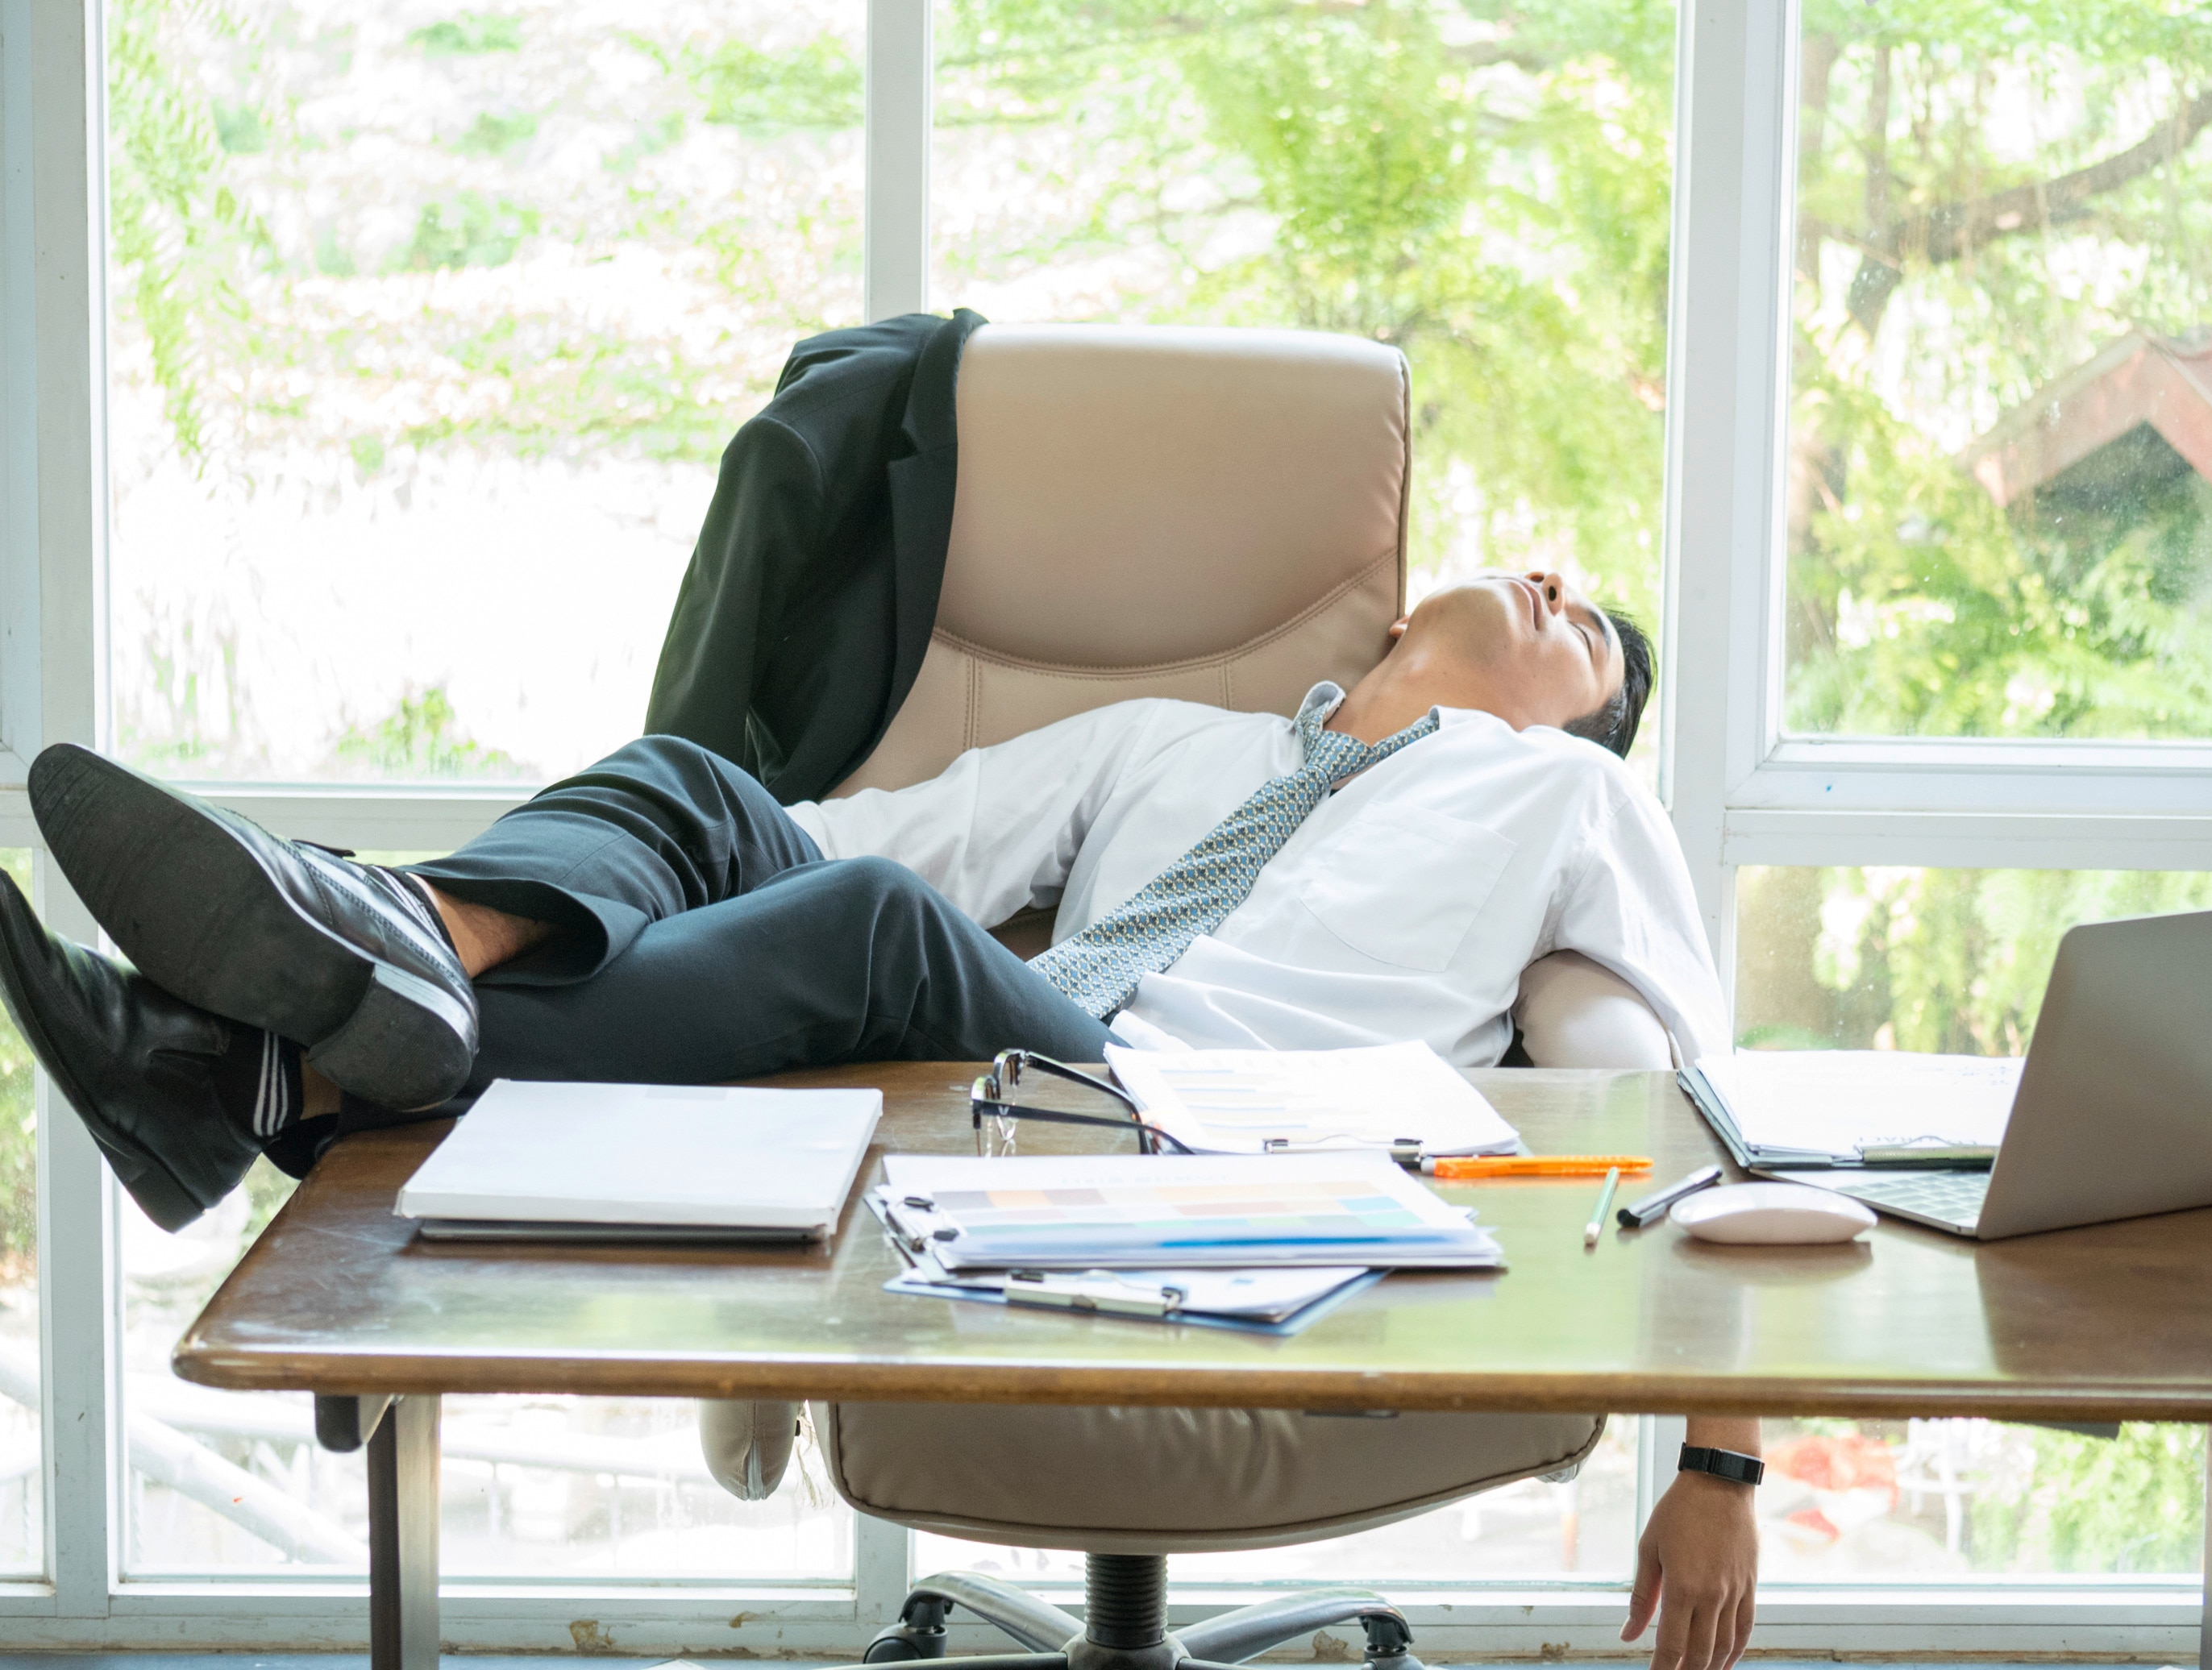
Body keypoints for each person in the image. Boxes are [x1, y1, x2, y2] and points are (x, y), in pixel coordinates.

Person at [0, 566, 1757, 1670]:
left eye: (1592, 635)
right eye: (1545, 571)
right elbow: (854, 843)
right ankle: (391, 960)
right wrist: (661, 863)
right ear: (1393, 614)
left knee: (875, 933)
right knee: (698, 788)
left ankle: (247, 1056)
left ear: (1594, 722)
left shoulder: (1570, 800)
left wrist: (1720, 1461)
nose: (1555, 587)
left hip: (1210, 1153)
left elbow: (1698, 1107)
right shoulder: (1177, 743)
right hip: (1039, 1087)